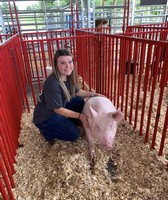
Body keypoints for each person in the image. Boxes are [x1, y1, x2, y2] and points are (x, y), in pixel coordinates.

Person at [33, 49, 102, 144]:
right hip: (46, 116)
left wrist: (93, 94)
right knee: (74, 135)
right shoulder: (52, 84)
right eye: (62, 63)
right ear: (56, 65)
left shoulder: (67, 76)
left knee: (78, 101)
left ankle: (67, 123)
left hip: (58, 107)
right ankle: (46, 133)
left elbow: (77, 92)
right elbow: (58, 110)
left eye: (70, 62)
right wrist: (79, 116)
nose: (68, 66)